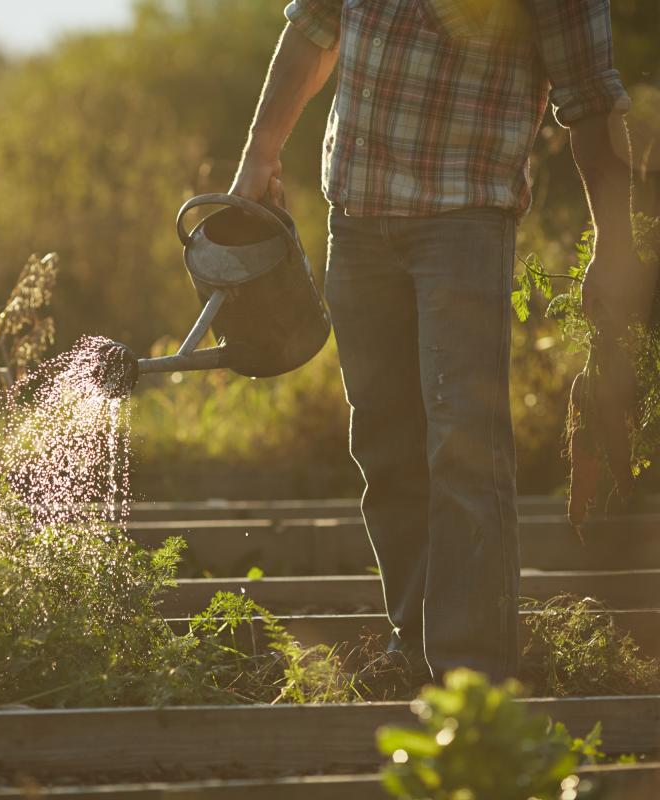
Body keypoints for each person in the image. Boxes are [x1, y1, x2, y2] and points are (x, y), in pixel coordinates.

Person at [231, 0, 638, 683]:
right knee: (386, 448)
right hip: (357, 215)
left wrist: (616, 243)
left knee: (463, 448)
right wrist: (258, 158)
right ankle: (415, 648)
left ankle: (471, 676)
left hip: (465, 218)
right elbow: (312, 30)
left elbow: (590, 98)